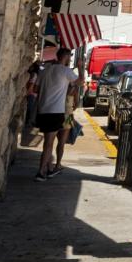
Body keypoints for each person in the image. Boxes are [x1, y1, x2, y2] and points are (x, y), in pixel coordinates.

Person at [35, 47, 79, 181]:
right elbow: (80, 82)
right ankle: (41, 171)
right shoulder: (66, 71)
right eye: (69, 57)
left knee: (48, 141)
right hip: (57, 111)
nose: (70, 59)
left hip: (42, 110)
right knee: (50, 143)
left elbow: (36, 89)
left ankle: (48, 168)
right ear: (65, 57)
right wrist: (81, 67)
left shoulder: (44, 71)